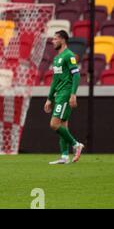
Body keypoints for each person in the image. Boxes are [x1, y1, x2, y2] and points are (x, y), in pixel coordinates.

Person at [44, 30, 84, 164]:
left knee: (54, 124)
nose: (53, 41)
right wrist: (49, 98)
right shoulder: (56, 58)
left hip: (66, 94)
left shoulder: (69, 55)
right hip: (58, 94)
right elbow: (55, 80)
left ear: (62, 40)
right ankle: (65, 156)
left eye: (55, 39)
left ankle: (76, 144)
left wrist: (73, 94)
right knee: (63, 125)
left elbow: (76, 75)